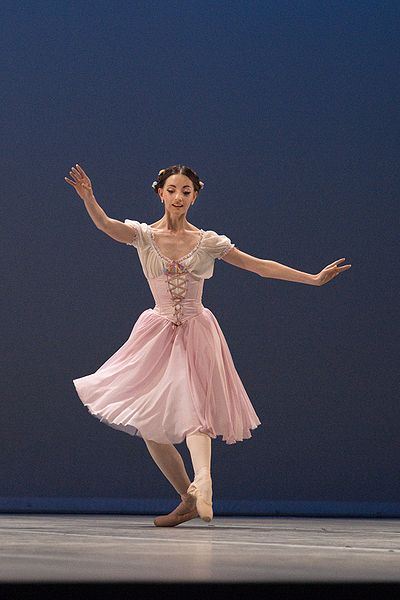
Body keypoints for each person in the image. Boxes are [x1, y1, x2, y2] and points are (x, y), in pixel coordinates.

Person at [65, 163, 351, 527]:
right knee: (151, 424)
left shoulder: (208, 241)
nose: (179, 197)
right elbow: (106, 225)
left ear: (195, 196)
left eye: (186, 191)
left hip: (197, 330)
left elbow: (259, 266)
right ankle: (189, 495)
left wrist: (311, 279)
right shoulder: (143, 235)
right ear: (160, 193)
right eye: (172, 190)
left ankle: (204, 479)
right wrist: (89, 197)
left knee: (194, 405)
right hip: (157, 332)